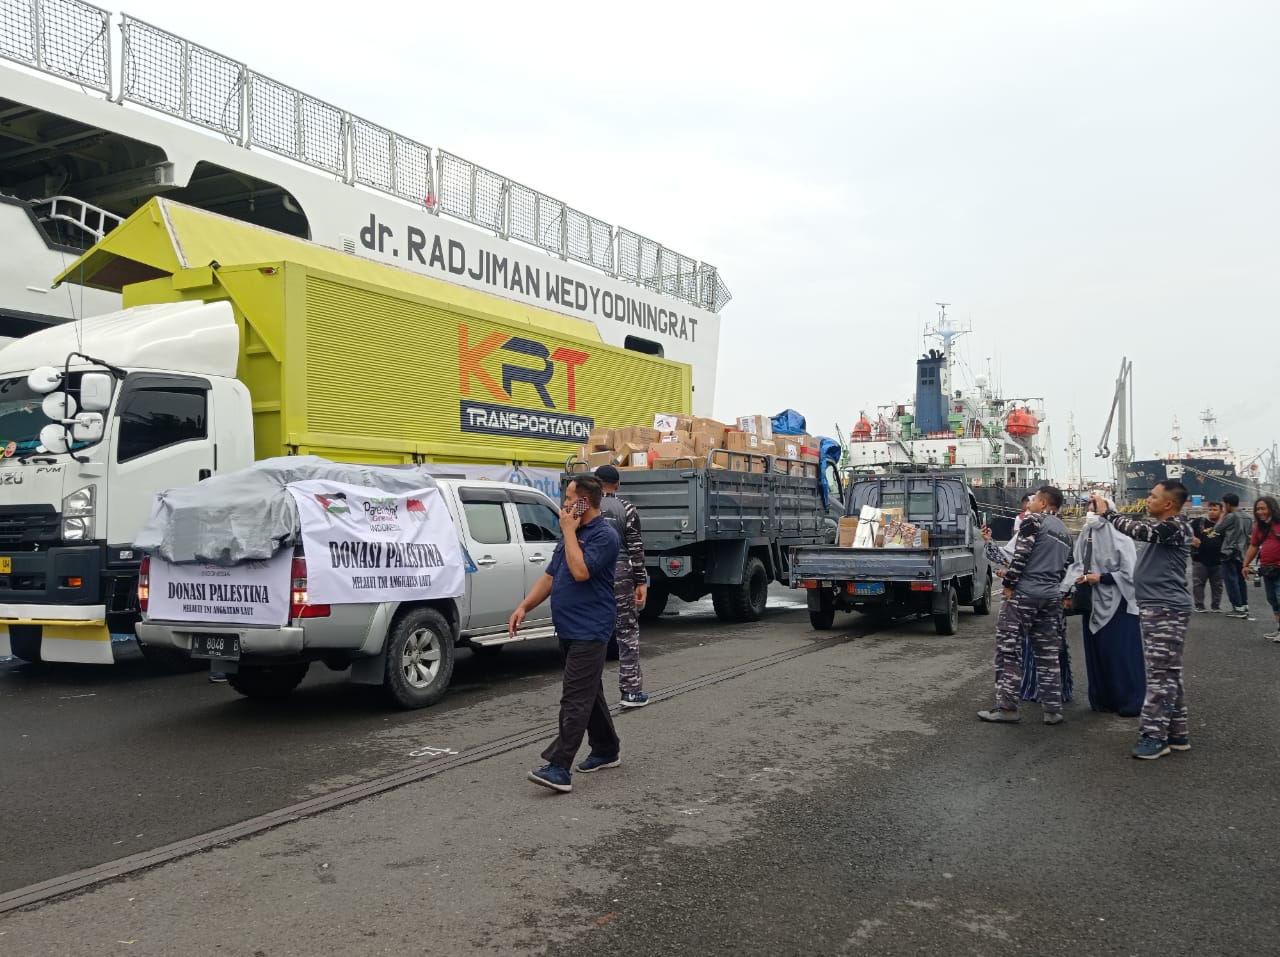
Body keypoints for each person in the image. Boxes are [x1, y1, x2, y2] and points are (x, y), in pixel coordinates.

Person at [510, 475, 621, 793]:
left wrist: (570, 531)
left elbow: (581, 571)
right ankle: (606, 748)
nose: (564, 504)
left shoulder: (604, 535)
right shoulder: (572, 534)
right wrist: (524, 607)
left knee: (575, 697)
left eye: (570, 498)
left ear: (585, 502)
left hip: (591, 628)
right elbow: (551, 574)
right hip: (569, 627)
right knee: (589, 692)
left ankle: (559, 767)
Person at [1092, 480, 1194, 760]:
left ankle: (1154, 736)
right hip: (1159, 607)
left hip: (1166, 610)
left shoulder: (1174, 526)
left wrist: (1107, 513)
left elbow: (1137, 529)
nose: (1148, 500)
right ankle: (1176, 732)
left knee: (1160, 674)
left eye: (1152, 496)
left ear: (1169, 504)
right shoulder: (1168, 529)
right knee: (1169, 672)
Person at [978, 486, 1074, 726]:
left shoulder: (1033, 521)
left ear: (1043, 504)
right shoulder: (1065, 531)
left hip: (1025, 595)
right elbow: (1066, 568)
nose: (1029, 503)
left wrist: (1009, 583)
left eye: (1034, 499)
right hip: (1051, 596)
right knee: (1048, 653)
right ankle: (1052, 709)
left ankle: (1008, 708)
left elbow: (1020, 557)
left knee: (1009, 650)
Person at [1061, 496, 1144, 716]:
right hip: (1091, 600)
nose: (1090, 513)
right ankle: (1102, 700)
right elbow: (1078, 563)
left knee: (1119, 652)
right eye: (1089, 509)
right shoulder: (1086, 534)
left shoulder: (1121, 536)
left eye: (1095, 510)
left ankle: (1130, 701)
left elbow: (1130, 572)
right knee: (1097, 652)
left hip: (1118, 602)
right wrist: (1068, 588)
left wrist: (1102, 578)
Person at [594, 465, 650, 707]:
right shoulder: (626, 508)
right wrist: (640, 580)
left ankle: (590, 694)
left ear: (595, 483)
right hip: (620, 573)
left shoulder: (584, 506)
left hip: (591, 571)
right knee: (626, 631)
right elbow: (635, 549)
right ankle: (631, 691)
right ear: (617, 485)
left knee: (593, 631)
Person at [1241, 495, 1280, 641]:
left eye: (1263, 508)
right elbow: (1254, 546)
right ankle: (1279, 629)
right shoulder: (1259, 527)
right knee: (1273, 600)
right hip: (1268, 568)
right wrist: (1245, 564)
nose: (1260, 512)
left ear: (1272, 508)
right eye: (1257, 509)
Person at [1217, 492, 1252, 619]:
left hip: (1229, 552)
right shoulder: (1248, 517)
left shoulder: (1231, 516)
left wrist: (1222, 516)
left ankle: (1237, 608)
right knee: (1240, 579)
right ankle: (1244, 604)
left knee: (1231, 580)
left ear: (1227, 504)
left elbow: (1217, 529)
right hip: (1243, 552)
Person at [1190, 501, 1225, 612]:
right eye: (1210, 509)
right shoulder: (1199, 522)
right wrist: (1192, 539)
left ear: (1221, 511)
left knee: (1217, 585)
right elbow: (1185, 532)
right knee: (1198, 583)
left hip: (1218, 560)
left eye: (1215, 510)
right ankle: (1199, 605)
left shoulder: (1224, 524)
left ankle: (1216, 606)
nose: (1212, 512)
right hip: (1200, 559)